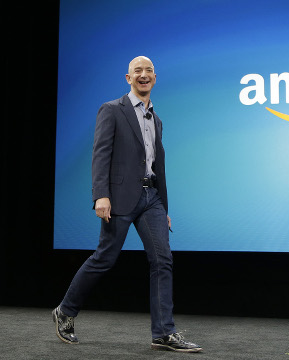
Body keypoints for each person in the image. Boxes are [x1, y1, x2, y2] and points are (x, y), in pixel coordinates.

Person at [52, 56, 202, 353]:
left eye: (148, 71)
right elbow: (100, 154)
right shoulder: (112, 110)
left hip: (152, 198)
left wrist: (164, 209)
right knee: (104, 258)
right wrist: (100, 194)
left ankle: (163, 332)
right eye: (138, 71)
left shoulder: (156, 119)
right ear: (128, 78)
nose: (143, 75)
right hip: (119, 197)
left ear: (155, 78)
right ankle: (65, 311)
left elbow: (157, 165)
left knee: (163, 260)